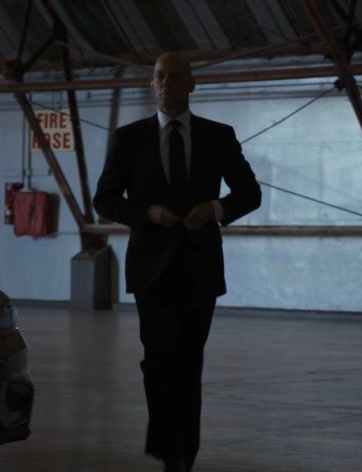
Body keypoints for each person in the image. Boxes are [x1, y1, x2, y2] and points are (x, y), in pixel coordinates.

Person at [93, 53, 261, 472]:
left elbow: (249, 193)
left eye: (176, 76)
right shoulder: (128, 139)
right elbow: (105, 199)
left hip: (199, 267)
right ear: (152, 86)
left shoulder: (218, 136)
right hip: (150, 270)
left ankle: (181, 454)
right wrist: (146, 213)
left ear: (192, 84)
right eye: (159, 77)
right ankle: (172, 450)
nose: (167, 83)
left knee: (188, 362)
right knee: (158, 361)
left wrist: (216, 209)